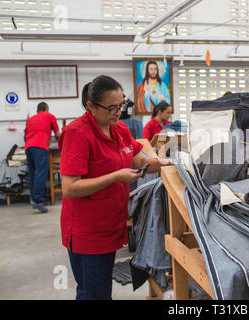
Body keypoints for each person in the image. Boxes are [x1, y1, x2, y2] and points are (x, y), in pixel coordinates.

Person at [59, 75, 171, 300]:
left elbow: (139, 161)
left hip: (111, 223)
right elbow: (70, 187)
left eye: (121, 105)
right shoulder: (77, 133)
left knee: (98, 290)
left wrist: (167, 162)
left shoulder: (120, 130)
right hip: (88, 230)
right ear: (90, 106)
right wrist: (115, 177)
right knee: (94, 293)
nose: (118, 112)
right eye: (111, 108)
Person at [24, 102, 60, 213]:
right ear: (46, 109)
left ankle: (33, 199)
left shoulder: (30, 119)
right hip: (40, 147)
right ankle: (38, 201)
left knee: (33, 173)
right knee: (40, 173)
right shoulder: (49, 116)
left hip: (28, 148)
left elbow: (26, 136)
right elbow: (58, 134)